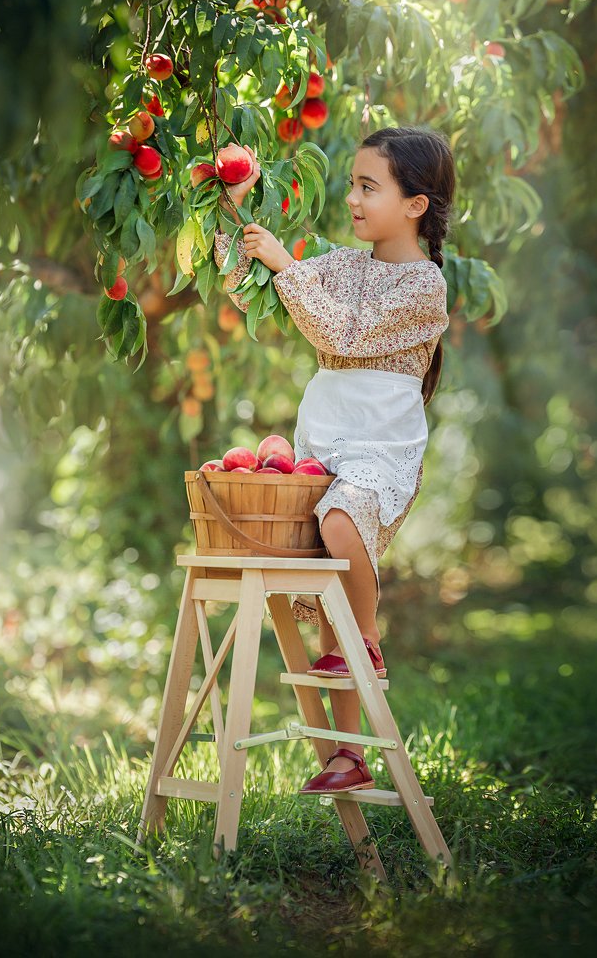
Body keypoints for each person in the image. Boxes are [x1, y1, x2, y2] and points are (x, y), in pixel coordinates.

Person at [213, 126, 455, 795]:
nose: (351, 197)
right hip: (327, 432)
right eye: (351, 182)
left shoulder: (424, 286)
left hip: (383, 445)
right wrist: (232, 213)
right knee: (325, 586)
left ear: (414, 203)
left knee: (343, 520)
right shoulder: (343, 266)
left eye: (367, 186)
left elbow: (339, 333)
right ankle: (346, 755)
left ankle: (367, 640)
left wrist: (288, 267)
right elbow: (244, 283)